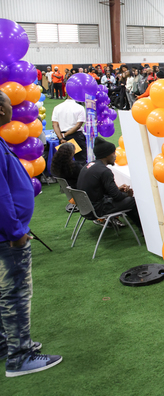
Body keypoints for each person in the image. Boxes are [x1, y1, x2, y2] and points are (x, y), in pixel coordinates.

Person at [0, 90, 62, 377]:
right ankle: (19, 356)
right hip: (8, 237)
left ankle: (7, 345)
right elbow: (1, 196)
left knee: (7, 292)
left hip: (9, 233)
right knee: (15, 293)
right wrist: (16, 231)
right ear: (2, 111)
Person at [76, 138, 139, 228]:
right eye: (113, 153)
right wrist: (127, 194)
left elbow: (99, 189)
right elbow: (117, 197)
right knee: (130, 201)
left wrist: (117, 189)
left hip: (85, 208)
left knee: (126, 200)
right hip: (97, 210)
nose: (116, 156)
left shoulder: (88, 166)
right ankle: (144, 230)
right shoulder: (105, 171)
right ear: (106, 155)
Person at [51, 92, 87, 163]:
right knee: (80, 160)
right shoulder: (80, 108)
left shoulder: (57, 107)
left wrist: (61, 138)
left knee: (64, 161)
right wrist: (65, 135)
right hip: (76, 136)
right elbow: (78, 125)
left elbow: (55, 124)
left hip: (62, 136)